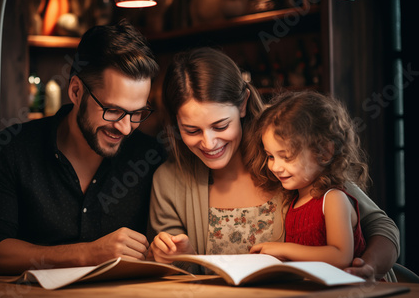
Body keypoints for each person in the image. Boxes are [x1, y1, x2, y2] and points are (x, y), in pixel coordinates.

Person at [149, 47, 399, 281]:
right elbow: (181, 280)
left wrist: (368, 268)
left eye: (221, 126)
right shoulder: (170, 182)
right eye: (191, 130)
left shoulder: (285, 146)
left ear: (243, 104)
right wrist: (181, 255)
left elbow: (381, 227)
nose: (208, 142)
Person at [0, 19, 165, 275]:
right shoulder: (11, 150)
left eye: (137, 113)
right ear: (77, 91)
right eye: (112, 110)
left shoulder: (151, 157)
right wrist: (88, 253)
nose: (125, 128)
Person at [249, 91, 367, 269]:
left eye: (286, 157)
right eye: (270, 156)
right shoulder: (294, 200)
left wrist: (283, 249)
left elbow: (341, 256)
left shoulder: (333, 199)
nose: (275, 167)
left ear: (324, 153)